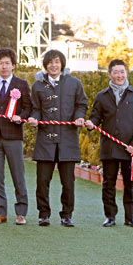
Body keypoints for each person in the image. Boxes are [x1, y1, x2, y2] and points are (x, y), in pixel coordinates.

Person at [27, 50, 87, 227]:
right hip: (45, 139)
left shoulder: (74, 83)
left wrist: (79, 116)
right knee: (42, 181)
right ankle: (43, 214)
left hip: (67, 139)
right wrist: (34, 118)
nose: (54, 65)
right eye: (50, 62)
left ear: (62, 64)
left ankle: (66, 215)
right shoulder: (38, 85)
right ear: (45, 65)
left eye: (57, 62)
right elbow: (36, 108)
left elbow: (81, 104)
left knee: (68, 182)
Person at [85, 59, 133, 228]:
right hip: (110, 148)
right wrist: (91, 124)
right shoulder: (101, 96)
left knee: (131, 184)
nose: (119, 75)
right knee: (108, 183)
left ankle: (131, 218)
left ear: (126, 73)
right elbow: (95, 117)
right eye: (116, 72)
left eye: (122, 72)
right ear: (109, 75)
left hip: (130, 149)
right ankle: (110, 217)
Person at [0, 48, 31, 225]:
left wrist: (21, 117)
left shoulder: (22, 84)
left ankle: (21, 212)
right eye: (1, 63)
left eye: (7, 63)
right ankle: (1, 212)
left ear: (13, 65)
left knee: (18, 175)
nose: (4, 66)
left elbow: (28, 107)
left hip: (14, 136)